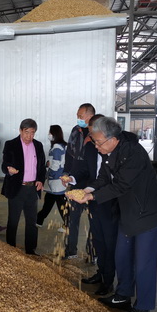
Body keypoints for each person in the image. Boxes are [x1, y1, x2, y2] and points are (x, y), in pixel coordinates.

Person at [67, 117, 157, 312]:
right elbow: (103, 178)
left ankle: (143, 308)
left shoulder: (133, 153)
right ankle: (123, 295)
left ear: (112, 139)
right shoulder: (110, 152)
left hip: (147, 213)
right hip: (128, 212)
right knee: (122, 255)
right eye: (95, 142)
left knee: (144, 262)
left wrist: (91, 197)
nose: (96, 146)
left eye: (98, 142)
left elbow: (121, 185)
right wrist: (86, 190)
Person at [65, 115, 119, 297]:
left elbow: (115, 181)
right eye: (90, 134)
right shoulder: (90, 147)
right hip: (93, 199)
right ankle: (101, 272)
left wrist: (92, 192)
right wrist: (72, 179)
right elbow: (84, 169)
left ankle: (108, 280)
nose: (92, 139)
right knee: (98, 240)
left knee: (110, 242)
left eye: (94, 135)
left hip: (111, 201)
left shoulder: (116, 149)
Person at [2, 118, 46, 255]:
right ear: (20, 131)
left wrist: (40, 180)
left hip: (32, 188)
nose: (29, 136)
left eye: (32, 133)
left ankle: (30, 250)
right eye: (26, 132)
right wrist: (9, 170)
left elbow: (41, 167)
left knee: (32, 221)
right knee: (13, 220)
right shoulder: (11, 144)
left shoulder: (38, 145)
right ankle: (10, 249)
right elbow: (4, 165)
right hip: (17, 188)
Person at [62, 103, 96, 259]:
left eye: (81, 116)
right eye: (77, 115)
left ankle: (93, 252)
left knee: (94, 219)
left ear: (90, 116)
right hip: (76, 180)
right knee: (72, 217)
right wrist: (66, 174)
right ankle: (70, 250)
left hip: (94, 182)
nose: (78, 118)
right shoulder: (76, 131)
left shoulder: (98, 133)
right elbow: (69, 154)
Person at [36, 125, 67, 231]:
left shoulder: (57, 147)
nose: (49, 135)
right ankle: (39, 219)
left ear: (54, 134)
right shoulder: (63, 146)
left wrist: (49, 174)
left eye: (50, 133)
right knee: (50, 200)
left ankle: (68, 224)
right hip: (59, 179)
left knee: (60, 203)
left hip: (56, 180)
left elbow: (56, 165)